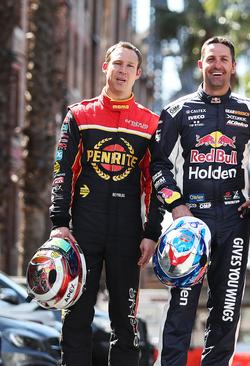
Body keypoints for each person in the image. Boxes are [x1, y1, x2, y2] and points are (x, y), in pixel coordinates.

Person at [49, 41, 163, 365]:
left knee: (126, 325)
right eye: (117, 64)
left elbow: (154, 180)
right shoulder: (79, 115)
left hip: (128, 233)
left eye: (129, 66)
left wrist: (151, 232)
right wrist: (59, 224)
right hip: (83, 230)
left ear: (138, 74)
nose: (122, 71)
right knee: (75, 319)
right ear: (105, 67)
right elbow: (62, 172)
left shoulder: (150, 123)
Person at [150, 36, 250, 366]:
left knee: (226, 309)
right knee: (181, 306)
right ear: (201, 64)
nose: (217, 65)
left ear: (233, 66)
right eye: (210, 59)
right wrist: (176, 206)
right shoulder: (176, 110)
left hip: (234, 219)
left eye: (223, 59)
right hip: (190, 221)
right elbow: (157, 164)